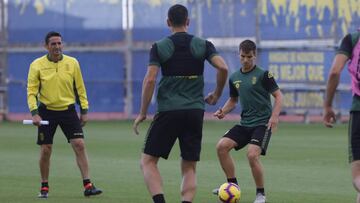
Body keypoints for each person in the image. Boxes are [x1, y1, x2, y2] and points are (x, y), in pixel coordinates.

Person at [132, 4, 228, 203]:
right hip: (195, 111)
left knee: (148, 161)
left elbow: (150, 79)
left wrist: (142, 112)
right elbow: (223, 68)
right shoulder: (203, 44)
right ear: (188, 22)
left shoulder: (159, 46)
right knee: (189, 165)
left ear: (168, 22)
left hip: (169, 110)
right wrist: (217, 94)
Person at [27, 31, 102, 198]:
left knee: (79, 145)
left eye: (59, 43)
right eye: (53, 44)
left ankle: (88, 185)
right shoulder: (36, 65)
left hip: (68, 111)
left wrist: (84, 111)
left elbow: (80, 89)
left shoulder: (72, 63)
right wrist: (35, 113)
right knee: (46, 149)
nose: (57, 47)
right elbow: (31, 91)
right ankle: (44, 187)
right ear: (46, 46)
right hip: (46, 112)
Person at [212, 40, 282, 203]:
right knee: (221, 147)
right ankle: (232, 187)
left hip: (262, 124)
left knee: (251, 155)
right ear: (239, 54)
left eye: (249, 57)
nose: (245, 60)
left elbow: (279, 96)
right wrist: (223, 111)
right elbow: (233, 100)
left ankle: (260, 194)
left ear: (255, 55)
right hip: (245, 124)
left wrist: (275, 116)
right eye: (243, 56)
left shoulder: (264, 75)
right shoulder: (234, 77)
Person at [323, 28, 360, 202]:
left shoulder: (352, 39)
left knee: (358, 177)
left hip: (358, 110)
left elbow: (335, 72)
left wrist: (328, 105)